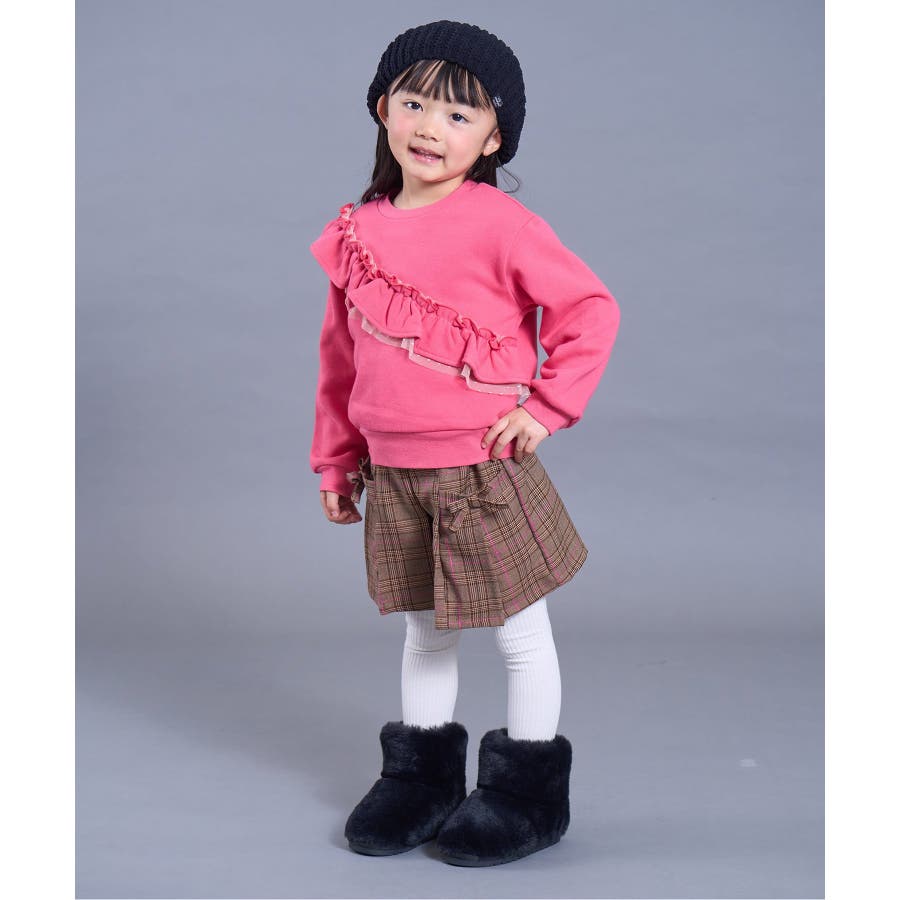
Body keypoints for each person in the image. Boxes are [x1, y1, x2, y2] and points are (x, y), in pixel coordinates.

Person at [308, 20, 621, 866]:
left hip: (482, 470)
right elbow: (340, 360)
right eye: (413, 104)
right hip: (394, 475)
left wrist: (548, 406)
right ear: (382, 109)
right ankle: (422, 780)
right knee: (425, 634)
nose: (429, 128)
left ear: (492, 139)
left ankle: (525, 794)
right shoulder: (359, 232)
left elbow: (590, 311)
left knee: (520, 636)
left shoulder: (501, 224)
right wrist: (335, 460)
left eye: (458, 114)